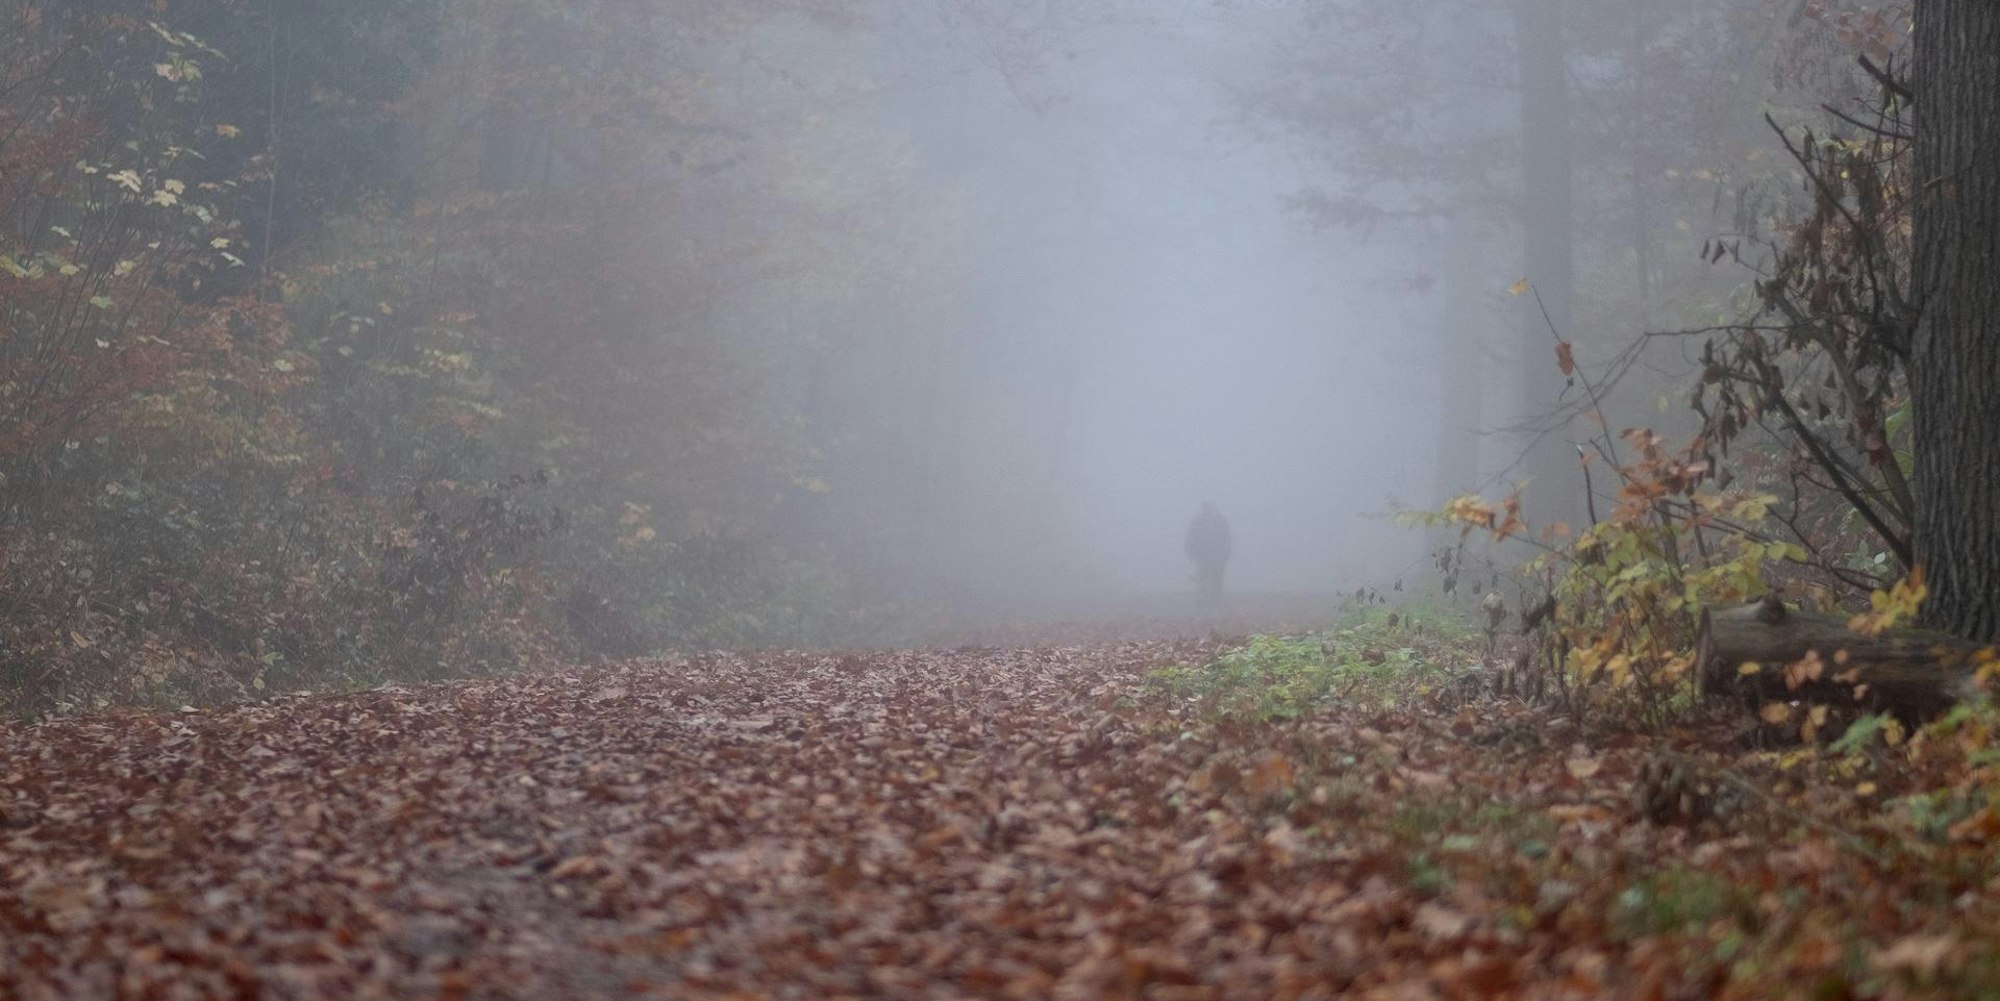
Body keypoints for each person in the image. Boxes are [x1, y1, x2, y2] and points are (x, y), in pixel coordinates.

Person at [1184, 502, 1232, 602]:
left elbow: (1226, 537)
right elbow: (1191, 536)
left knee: (1216, 576)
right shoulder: (1199, 521)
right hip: (1204, 554)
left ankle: (1215, 597)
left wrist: (1226, 551)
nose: (1208, 510)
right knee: (1203, 575)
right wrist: (1190, 550)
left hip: (1216, 554)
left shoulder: (1219, 520)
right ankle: (1203, 597)